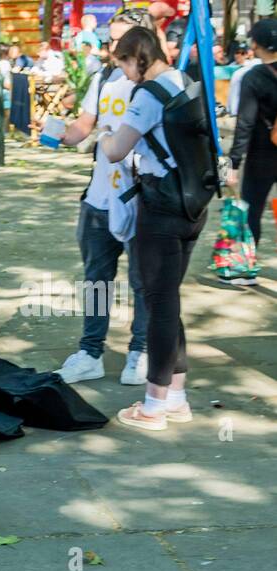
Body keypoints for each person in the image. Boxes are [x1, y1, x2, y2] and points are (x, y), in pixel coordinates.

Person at [99, 25, 205, 431]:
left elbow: (117, 150)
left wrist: (106, 132)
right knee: (168, 301)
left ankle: (153, 405)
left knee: (159, 306)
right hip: (193, 204)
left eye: (123, 64)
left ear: (135, 57)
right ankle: (176, 397)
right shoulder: (183, 79)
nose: (124, 74)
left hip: (160, 208)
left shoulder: (146, 95)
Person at [49, 8, 153, 386]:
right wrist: (60, 134)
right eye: (111, 39)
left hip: (143, 199)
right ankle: (91, 351)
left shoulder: (162, 82)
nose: (113, 47)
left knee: (144, 280)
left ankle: (140, 351)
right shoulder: (105, 77)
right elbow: (85, 124)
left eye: (121, 40)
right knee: (96, 279)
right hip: (98, 197)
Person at [226, 18, 277, 247]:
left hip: (261, 155)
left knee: (252, 208)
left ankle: (248, 263)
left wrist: (234, 163)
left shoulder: (253, 77)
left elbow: (245, 123)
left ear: (254, 45)